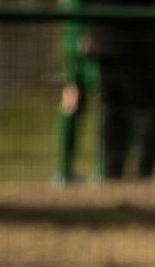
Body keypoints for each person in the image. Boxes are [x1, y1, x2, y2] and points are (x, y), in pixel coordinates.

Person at [87, 0, 155, 180]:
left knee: (113, 111)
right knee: (145, 110)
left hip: (106, 40)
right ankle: (142, 174)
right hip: (140, 42)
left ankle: (114, 174)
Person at [53, 0, 103, 186]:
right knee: (72, 103)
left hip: (82, 45)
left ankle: (101, 170)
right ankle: (65, 172)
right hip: (82, 47)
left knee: (101, 104)